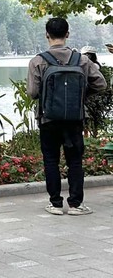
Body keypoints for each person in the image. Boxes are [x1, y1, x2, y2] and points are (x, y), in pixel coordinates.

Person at [27, 17, 106, 216]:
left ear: (47, 35)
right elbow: (101, 84)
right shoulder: (82, 60)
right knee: (75, 161)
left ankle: (55, 204)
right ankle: (76, 205)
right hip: (74, 118)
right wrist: (80, 95)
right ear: (67, 34)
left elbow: (32, 92)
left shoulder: (38, 61)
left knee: (51, 160)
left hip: (48, 119)